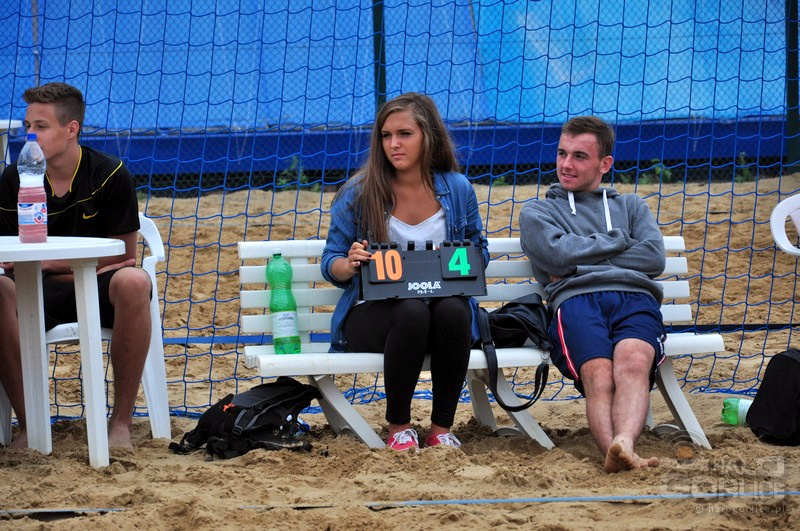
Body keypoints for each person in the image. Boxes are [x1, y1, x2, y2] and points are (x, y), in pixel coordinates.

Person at [321, 92, 489, 451]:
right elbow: (330, 263)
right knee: (411, 310)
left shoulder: (457, 189)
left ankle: (441, 429)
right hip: (375, 316)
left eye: (404, 134)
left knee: (454, 309)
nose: (393, 144)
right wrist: (350, 263)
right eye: (386, 135)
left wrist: (459, 260)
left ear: (428, 136)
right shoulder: (359, 192)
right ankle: (399, 427)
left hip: (440, 319)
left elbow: (479, 251)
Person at [0, 82, 152, 450]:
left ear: (71, 129)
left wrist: (50, 264)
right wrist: (70, 268)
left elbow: (124, 255)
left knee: (135, 281)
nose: (30, 135)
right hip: (34, 288)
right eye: (27, 125)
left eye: (41, 126)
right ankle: (30, 424)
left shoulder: (110, 173)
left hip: (98, 288)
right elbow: (8, 259)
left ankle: (120, 423)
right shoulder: (14, 177)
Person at [519, 116, 666, 472]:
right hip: (576, 301)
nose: (566, 164)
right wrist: (620, 241)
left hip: (635, 297)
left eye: (580, 156)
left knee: (633, 363)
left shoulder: (631, 206)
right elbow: (556, 255)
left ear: (605, 163)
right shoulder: (537, 211)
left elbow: (653, 257)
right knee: (599, 374)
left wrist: (578, 261)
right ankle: (614, 451)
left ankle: (623, 444)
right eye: (562, 153)